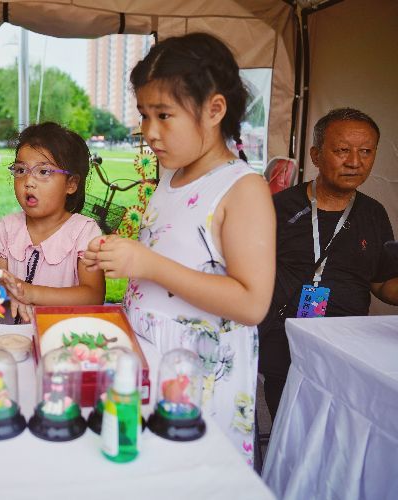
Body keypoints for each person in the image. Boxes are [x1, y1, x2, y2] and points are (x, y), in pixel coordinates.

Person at [83, 33, 276, 465]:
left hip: (198, 374)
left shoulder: (242, 189)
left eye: (164, 115)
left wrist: (148, 263)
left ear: (214, 109)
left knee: (191, 471)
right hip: (149, 354)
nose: (149, 132)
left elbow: (251, 302)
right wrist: (124, 254)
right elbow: (176, 250)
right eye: (144, 115)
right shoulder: (171, 177)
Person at [258, 108, 398, 419]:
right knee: (293, 428)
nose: (355, 161)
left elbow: (384, 283)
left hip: (349, 345)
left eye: (366, 151)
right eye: (342, 150)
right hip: (286, 338)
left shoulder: (374, 214)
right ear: (316, 155)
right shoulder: (277, 208)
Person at [0, 122, 106, 322]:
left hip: (61, 341)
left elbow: (93, 296)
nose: (29, 182)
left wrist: (29, 292)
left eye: (43, 172)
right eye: (20, 170)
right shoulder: (5, 229)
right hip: (13, 341)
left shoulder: (84, 232)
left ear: (71, 184)